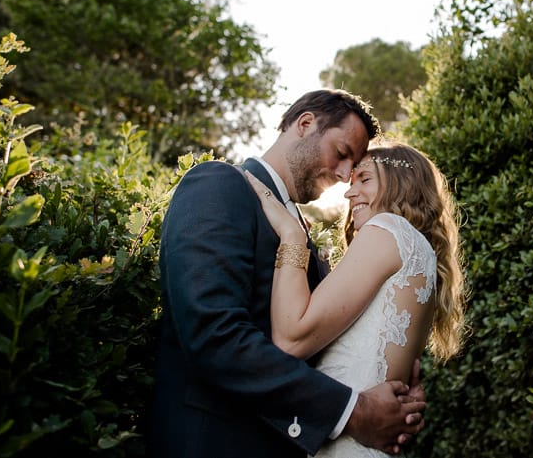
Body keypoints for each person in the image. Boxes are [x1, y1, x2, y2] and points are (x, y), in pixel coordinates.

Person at [147, 90, 426, 458]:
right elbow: (213, 335)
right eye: (342, 154)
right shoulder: (219, 184)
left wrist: (396, 387)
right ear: (305, 124)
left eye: (355, 166)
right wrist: (352, 411)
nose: (345, 177)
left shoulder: (299, 230)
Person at [244, 140, 467, 458]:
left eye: (365, 179)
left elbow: (291, 337)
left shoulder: (387, 229)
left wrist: (292, 236)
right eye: (352, 183)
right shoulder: (422, 254)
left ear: (400, 184)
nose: (349, 194)